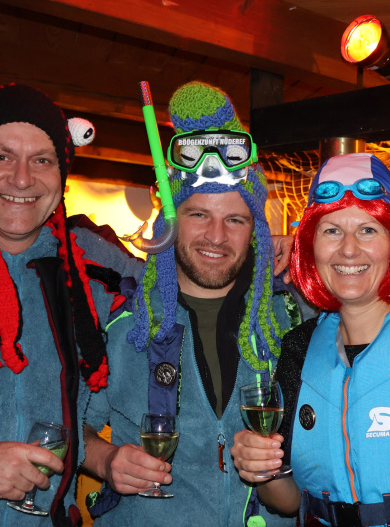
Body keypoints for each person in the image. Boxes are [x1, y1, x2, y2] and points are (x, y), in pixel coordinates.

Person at [0, 83, 142, 525]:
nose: (21, 179)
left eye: (42, 160)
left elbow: (188, 290)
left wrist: (269, 257)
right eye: (2, 156)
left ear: (62, 175)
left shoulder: (94, 269)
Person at [79, 81, 304, 526]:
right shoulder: (123, 325)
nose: (216, 236)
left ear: (256, 230)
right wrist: (106, 461)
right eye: (199, 214)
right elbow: (67, 424)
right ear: (170, 220)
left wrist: (312, 252)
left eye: (235, 219)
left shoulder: (291, 317)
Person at [232, 152, 390, 527]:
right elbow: (287, 501)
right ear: (311, 245)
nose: (349, 249)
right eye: (331, 231)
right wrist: (260, 468)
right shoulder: (299, 347)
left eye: (368, 230)